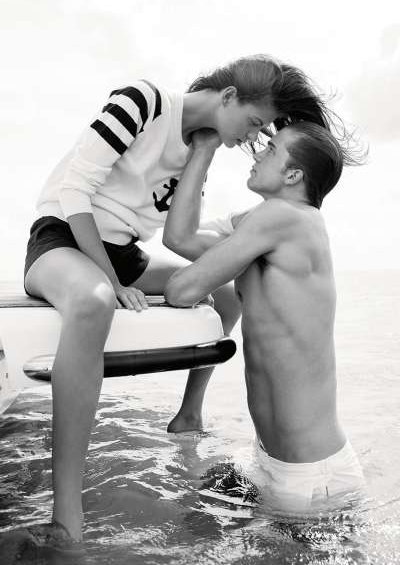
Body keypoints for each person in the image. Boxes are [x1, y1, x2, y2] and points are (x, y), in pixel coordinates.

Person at [23, 54, 338, 544]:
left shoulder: (211, 160)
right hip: (63, 236)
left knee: (226, 293)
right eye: (255, 123)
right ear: (229, 97)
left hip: (122, 254)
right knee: (95, 300)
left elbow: (183, 239)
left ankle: (190, 412)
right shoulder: (143, 101)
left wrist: (203, 152)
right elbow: (74, 189)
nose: (253, 139)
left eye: (264, 134)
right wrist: (110, 280)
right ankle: (67, 515)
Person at [164, 122, 366, 514]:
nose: (256, 153)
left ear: (293, 175)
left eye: (270, 150)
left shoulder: (283, 218)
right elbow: (178, 237)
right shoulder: (267, 223)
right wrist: (203, 151)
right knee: (195, 518)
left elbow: (181, 290)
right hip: (275, 461)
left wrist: (222, 251)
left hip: (311, 476)